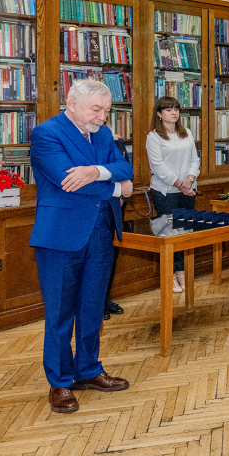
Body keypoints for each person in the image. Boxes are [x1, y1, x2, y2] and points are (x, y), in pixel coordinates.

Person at [29, 78, 134, 414]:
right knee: (60, 313)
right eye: (96, 109)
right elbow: (66, 181)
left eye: (106, 109)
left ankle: (88, 370)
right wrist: (117, 188)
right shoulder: (47, 133)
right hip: (60, 236)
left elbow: (125, 168)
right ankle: (60, 382)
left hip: (101, 233)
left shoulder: (102, 133)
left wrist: (95, 171)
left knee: (92, 307)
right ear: (71, 103)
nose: (103, 116)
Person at [146, 96, 200, 292]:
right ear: (159, 114)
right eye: (168, 109)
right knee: (169, 233)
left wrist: (190, 179)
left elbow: (195, 159)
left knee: (185, 231)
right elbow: (158, 166)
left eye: (176, 109)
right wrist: (180, 184)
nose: (173, 112)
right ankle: (169, 275)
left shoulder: (187, 133)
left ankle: (182, 273)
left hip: (187, 188)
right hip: (166, 191)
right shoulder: (153, 137)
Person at [103, 130, 130, 320]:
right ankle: (95, 303)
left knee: (110, 256)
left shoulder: (117, 141)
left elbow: (127, 171)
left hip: (117, 206)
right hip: (97, 203)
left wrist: (121, 196)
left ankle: (106, 298)